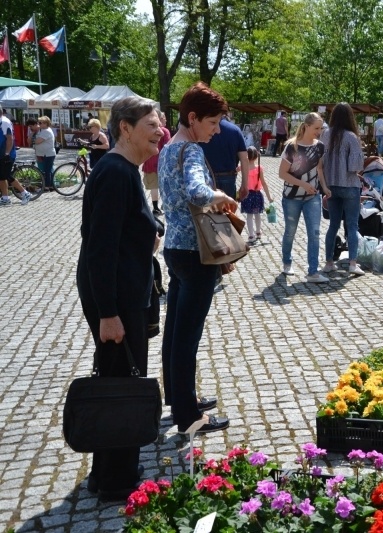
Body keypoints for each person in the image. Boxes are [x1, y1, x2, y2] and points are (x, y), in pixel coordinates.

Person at [76, 96, 163, 501]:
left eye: (160, 122)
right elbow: (99, 250)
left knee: (120, 377)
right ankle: (115, 479)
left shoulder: (125, 169)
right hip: (113, 302)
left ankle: (112, 468)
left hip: (125, 295)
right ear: (125, 128)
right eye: (151, 123)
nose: (160, 130)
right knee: (120, 383)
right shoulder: (113, 172)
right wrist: (108, 314)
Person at [159, 82, 236, 435]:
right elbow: (196, 190)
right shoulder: (189, 150)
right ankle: (188, 417)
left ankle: (178, 396)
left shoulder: (166, 148)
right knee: (186, 336)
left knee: (175, 330)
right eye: (213, 123)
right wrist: (220, 194)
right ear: (193, 118)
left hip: (175, 249)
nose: (216, 130)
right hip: (196, 253)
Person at [278, 112, 331, 282]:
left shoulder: (320, 146)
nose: (319, 131)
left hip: (312, 197)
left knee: (314, 233)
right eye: (316, 128)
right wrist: (303, 184)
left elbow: (320, 169)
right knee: (290, 232)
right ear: (306, 126)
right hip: (291, 197)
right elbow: (282, 173)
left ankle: (313, 272)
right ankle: (287, 263)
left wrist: (324, 187)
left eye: (321, 128)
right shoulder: (292, 147)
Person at [321, 103, 365, 277]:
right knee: (352, 225)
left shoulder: (325, 134)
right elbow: (355, 166)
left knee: (333, 225)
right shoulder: (351, 137)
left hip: (330, 186)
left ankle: (329, 262)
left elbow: (320, 161)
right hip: (349, 186)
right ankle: (353, 263)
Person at [200, 115, 248, 200]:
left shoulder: (203, 129)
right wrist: (244, 184)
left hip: (206, 177)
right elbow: (244, 159)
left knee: (207, 211)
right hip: (228, 178)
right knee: (228, 210)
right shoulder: (235, 130)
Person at [0, 105, 32, 206]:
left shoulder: (4, 122)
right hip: (2, 153)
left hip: (6, 154)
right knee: (2, 177)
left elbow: (10, 138)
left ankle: (25, 193)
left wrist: (7, 153)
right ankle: (5, 198)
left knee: (5, 176)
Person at [241, 145, 273, 244]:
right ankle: (258, 232)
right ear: (256, 157)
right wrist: (269, 197)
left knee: (249, 216)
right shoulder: (259, 168)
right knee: (257, 214)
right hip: (257, 195)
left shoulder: (244, 167)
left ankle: (251, 235)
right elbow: (264, 183)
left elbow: (236, 170)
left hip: (247, 195)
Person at [142, 111, 171, 216]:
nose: (165, 119)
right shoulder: (164, 131)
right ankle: (165, 205)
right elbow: (168, 146)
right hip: (162, 162)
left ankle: (155, 207)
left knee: (153, 186)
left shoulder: (146, 131)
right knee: (164, 185)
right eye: (163, 118)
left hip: (148, 161)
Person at [29, 116, 57, 191]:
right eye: (38, 123)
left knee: (47, 170)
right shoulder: (42, 131)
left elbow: (38, 141)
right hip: (43, 154)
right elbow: (32, 141)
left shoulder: (47, 131)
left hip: (48, 154)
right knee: (46, 170)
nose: (39, 124)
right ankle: (51, 185)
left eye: (40, 123)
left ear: (45, 123)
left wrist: (33, 140)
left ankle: (47, 186)